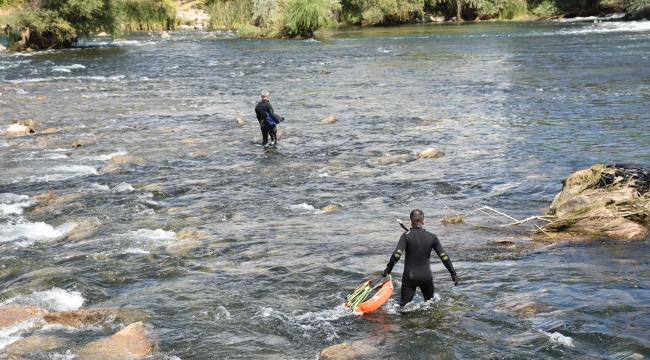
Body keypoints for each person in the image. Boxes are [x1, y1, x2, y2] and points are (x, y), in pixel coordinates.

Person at [383, 209, 459, 307]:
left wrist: (387, 271)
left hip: (409, 277)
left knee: (403, 308)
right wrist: (453, 273)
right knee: (431, 306)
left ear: (410, 222)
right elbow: (444, 257)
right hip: (426, 277)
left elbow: (396, 255)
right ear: (424, 221)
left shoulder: (406, 236)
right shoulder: (432, 237)